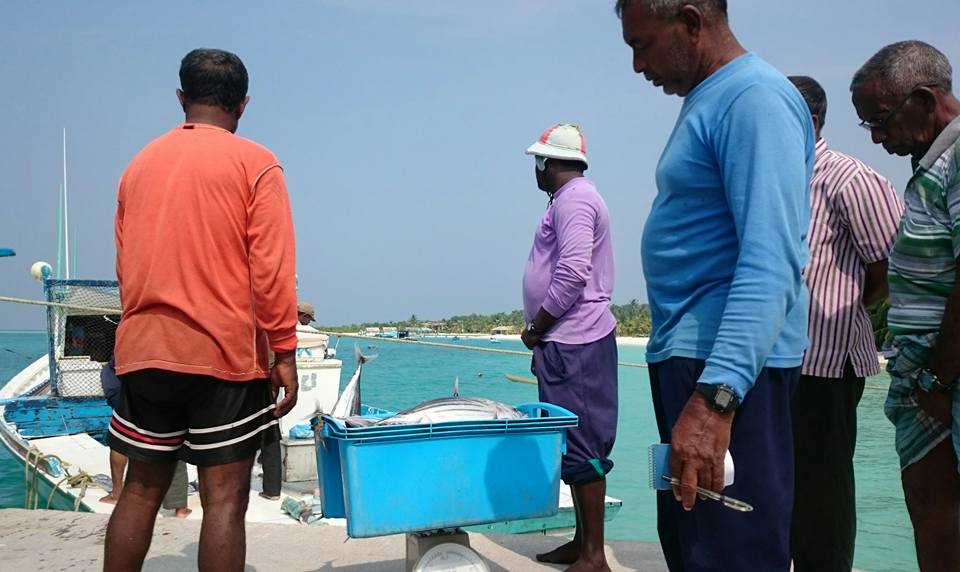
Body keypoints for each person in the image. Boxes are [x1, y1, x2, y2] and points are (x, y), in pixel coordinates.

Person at [616, 1, 814, 570]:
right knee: (695, 546)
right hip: (694, 361)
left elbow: (772, 259)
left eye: (643, 44)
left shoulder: (753, 100)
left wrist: (716, 398)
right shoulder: (713, 99)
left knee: (733, 553)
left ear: (691, 22)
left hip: (720, 372)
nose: (637, 65)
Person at [105, 48, 299, 572]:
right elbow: (272, 271)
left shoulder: (138, 165)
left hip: (145, 350)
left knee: (140, 492)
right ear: (243, 104)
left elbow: (126, 266)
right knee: (224, 500)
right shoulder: (256, 163)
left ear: (181, 98)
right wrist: (284, 352)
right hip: (225, 358)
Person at [786, 75, 903, 571]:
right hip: (774, 363)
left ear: (809, 120)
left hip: (826, 363)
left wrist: (847, 304)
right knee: (782, 486)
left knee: (823, 492)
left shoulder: (850, 179)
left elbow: (891, 270)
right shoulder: (775, 177)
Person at [851, 40, 960, 572]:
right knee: (929, 502)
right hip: (928, 379)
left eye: (881, 120)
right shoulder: (931, 164)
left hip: (947, 376)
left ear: (923, 99)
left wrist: (941, 379)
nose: (877, 137)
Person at [521, 123, 618, 572]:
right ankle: (583, 543)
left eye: (538, 162)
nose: (536, 171)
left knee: (583, 445)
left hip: (575, 339)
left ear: (550, 163)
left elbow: (574, 272)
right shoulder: (569, 199)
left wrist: (538, 326)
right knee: (571, 442)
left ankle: (594, 555)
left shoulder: (575, 200)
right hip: (566, 340)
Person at [100, 359, 193, 519]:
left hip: (130, 384)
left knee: (121, 440)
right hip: (164, 385)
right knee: (175, 447)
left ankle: (117, 494)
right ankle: (180, 508)